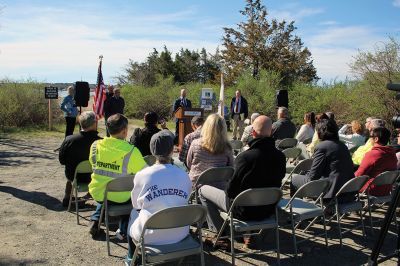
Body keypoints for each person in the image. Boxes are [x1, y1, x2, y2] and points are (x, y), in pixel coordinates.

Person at [199, 115, 285, 248]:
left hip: (242, 211)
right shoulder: (280, 156)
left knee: (202, 190)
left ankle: (221, 234)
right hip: (267, 209)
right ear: (272, 132)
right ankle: (249, 233)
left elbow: (232, 191)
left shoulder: (245, 157)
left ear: (253, 132)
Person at [125, 130, 192, 265]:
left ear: (151, 150)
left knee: (133, 214)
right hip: (181, 233)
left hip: (149, 236)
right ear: (172, 150)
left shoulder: (142, 174)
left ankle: (131, 257)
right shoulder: (184, 175)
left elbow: (136, 205)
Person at [88, 114, 146, 237]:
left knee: (106, 193)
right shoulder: (131, 151)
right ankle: (124, 229)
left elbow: (93, 165)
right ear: (125, 131)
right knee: (133, 197)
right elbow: (145, 173)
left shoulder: (95, 146)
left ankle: (96, 219)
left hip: (99, 192)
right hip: (122, 197)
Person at [291, 119, 354, 202]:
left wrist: (307, 173)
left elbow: (313, 177)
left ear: (320, 132)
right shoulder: (343, 146)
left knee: (294, 179)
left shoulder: (322, 147)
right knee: (304, 174)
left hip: (330, 192)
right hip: (345, 191)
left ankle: (298, 207)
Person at [59, 111, 102, 207]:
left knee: (70, 176)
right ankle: (89, 195)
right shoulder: (101, 142)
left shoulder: (69, 140)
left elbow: (62, 161)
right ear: (95, 123)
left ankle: (67, 197)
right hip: (93, 177)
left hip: (74, 176)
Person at [186, 114, 234, 184]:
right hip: (219, 189)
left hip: (196, 186)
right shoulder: (227, 148)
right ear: (224, 128)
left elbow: (188, 164)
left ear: (206, 127)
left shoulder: (195, 144)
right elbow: (231, 169)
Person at [355, 127, 397, 196]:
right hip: (387, 189)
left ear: (376, 139)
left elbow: (359, 174)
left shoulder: (373, 154)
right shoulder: (392, 154)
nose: (369, 138)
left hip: (371, 189)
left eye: (371, 136)